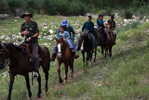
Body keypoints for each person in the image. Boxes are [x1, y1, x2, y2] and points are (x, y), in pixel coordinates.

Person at [20, 13, 39, 78]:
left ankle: (36, 71)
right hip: (26, 41)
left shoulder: (34, 23)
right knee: (18, 51)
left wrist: (31, 37)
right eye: (25, 17)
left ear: (30, 17)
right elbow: (22, 34)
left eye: (28, 17)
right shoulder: (23, 24)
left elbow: (37, 33)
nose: (26, 18)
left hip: (33, 42)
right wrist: (23, 33)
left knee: (35, 56)